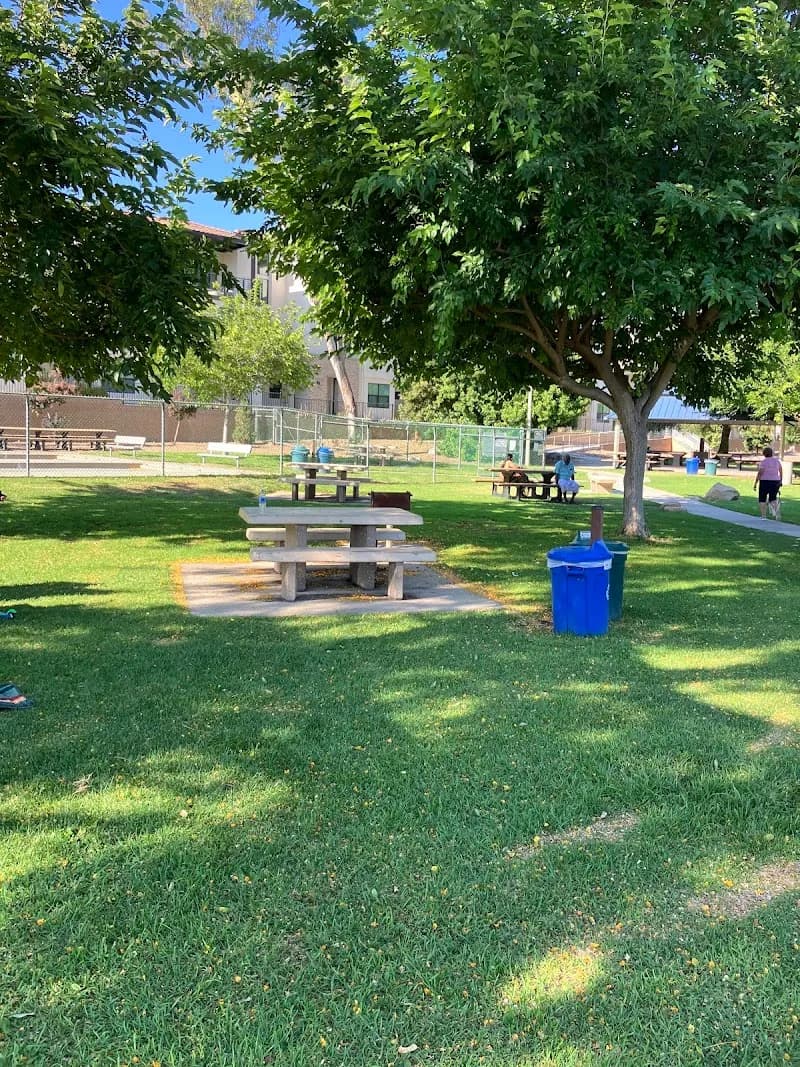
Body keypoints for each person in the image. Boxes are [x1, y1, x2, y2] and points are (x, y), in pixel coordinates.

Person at [754, 446, 782, 520]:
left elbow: (760, 473)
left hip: (764, 481)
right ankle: (777, 513)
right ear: (771, 453)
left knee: (762, 499)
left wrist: (756, 483)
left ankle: (763, 516)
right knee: (773, 498)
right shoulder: (777, 461)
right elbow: (780, 470)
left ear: (764, 453)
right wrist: (780, 480)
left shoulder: (763, 462)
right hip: (775, 481)